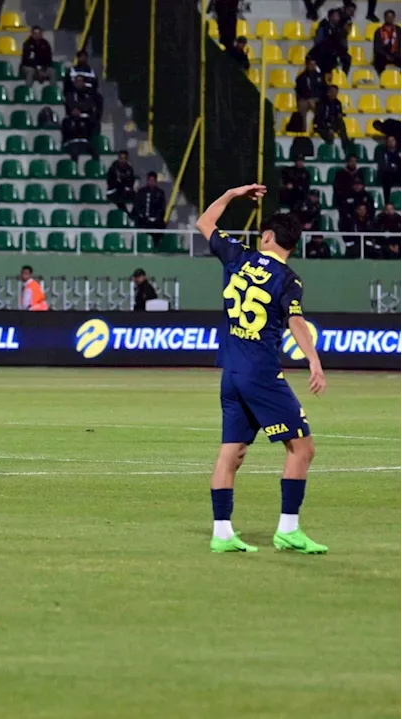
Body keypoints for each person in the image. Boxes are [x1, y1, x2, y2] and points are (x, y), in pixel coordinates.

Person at [194, 184, 327, 555]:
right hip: (262, 373)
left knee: (231, 453)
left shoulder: (238, 255)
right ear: (292, 245)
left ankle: (222, 533)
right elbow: (297, 322)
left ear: (267, 236)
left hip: (231, 372)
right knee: (302, 447)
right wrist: (314, 360)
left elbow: (204, 221)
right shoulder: (288, 279)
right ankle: (288, 529)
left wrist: (234, 194)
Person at [314, 84, 350, 155]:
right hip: (322, 126)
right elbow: (320, 118)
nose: (334, 94)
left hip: (333, 125)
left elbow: (338, 115)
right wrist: (328, 128)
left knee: (341, 123)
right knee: (330, 136)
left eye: (336, 92)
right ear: (328, 92)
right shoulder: (321, 103)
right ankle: (328, 153)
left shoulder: (338, 103)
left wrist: (340, 115)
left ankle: (346, 147)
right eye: (332, 92)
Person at [374, 9, 401, 74]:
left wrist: (397, 54)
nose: (390, 19)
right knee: (379, 61)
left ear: (394, 18)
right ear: (384, 18)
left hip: (396, 54)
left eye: (391, 17)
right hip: (383, 55)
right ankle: (383, 79)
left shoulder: (398, 29)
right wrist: (386, 55)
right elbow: (377, 47)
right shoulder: (379, 31)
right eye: (388, 17)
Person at [379, 135, 402, 202]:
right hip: (388, 174)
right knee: (386, 177)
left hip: (399, 173)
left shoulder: (399, 152)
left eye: (393, 140)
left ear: (396, 142)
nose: (391, 142)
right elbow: (382, 166)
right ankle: (387, 202)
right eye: (389, 141)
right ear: (386, 142)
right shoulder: (383, 153)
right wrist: (393, 168)